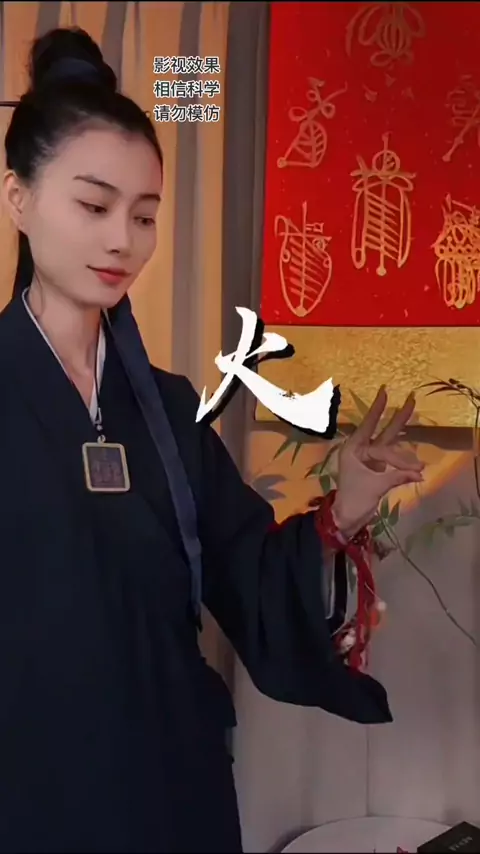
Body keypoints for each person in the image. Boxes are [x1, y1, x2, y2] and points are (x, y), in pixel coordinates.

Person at [0, 26, 425, 854]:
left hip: (172, 793)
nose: (122, 240)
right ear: (18, 196)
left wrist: (343, 509)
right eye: (93, 206)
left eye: (145, 216)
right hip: (31, 797)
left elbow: (250, 580)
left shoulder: (165, 408)